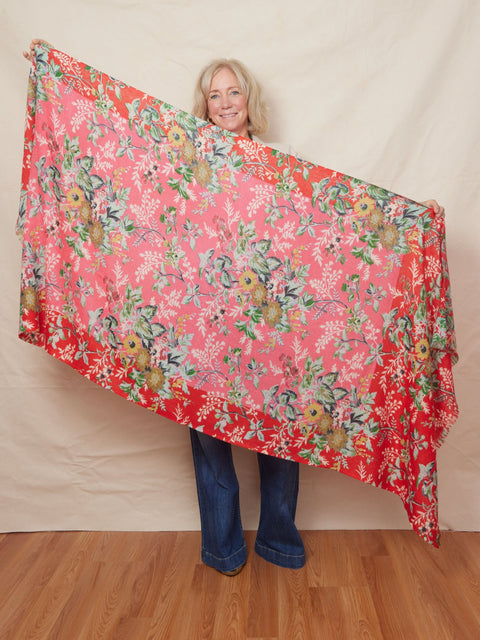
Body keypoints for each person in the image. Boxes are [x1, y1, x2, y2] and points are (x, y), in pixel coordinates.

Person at [23, 42, 445, 576]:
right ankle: (222, 547)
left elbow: (331, 225)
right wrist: (50, 72)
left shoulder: (279, 161)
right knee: (209, 438)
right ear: (204, 107)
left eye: (234, 91)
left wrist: (412, 219)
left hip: (269, 332)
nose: (226, 103)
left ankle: (279, 540)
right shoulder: (187, 159)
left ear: (249, 98)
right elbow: (135, 188)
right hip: (203, 332)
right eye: (214, 95)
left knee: (283, 429)